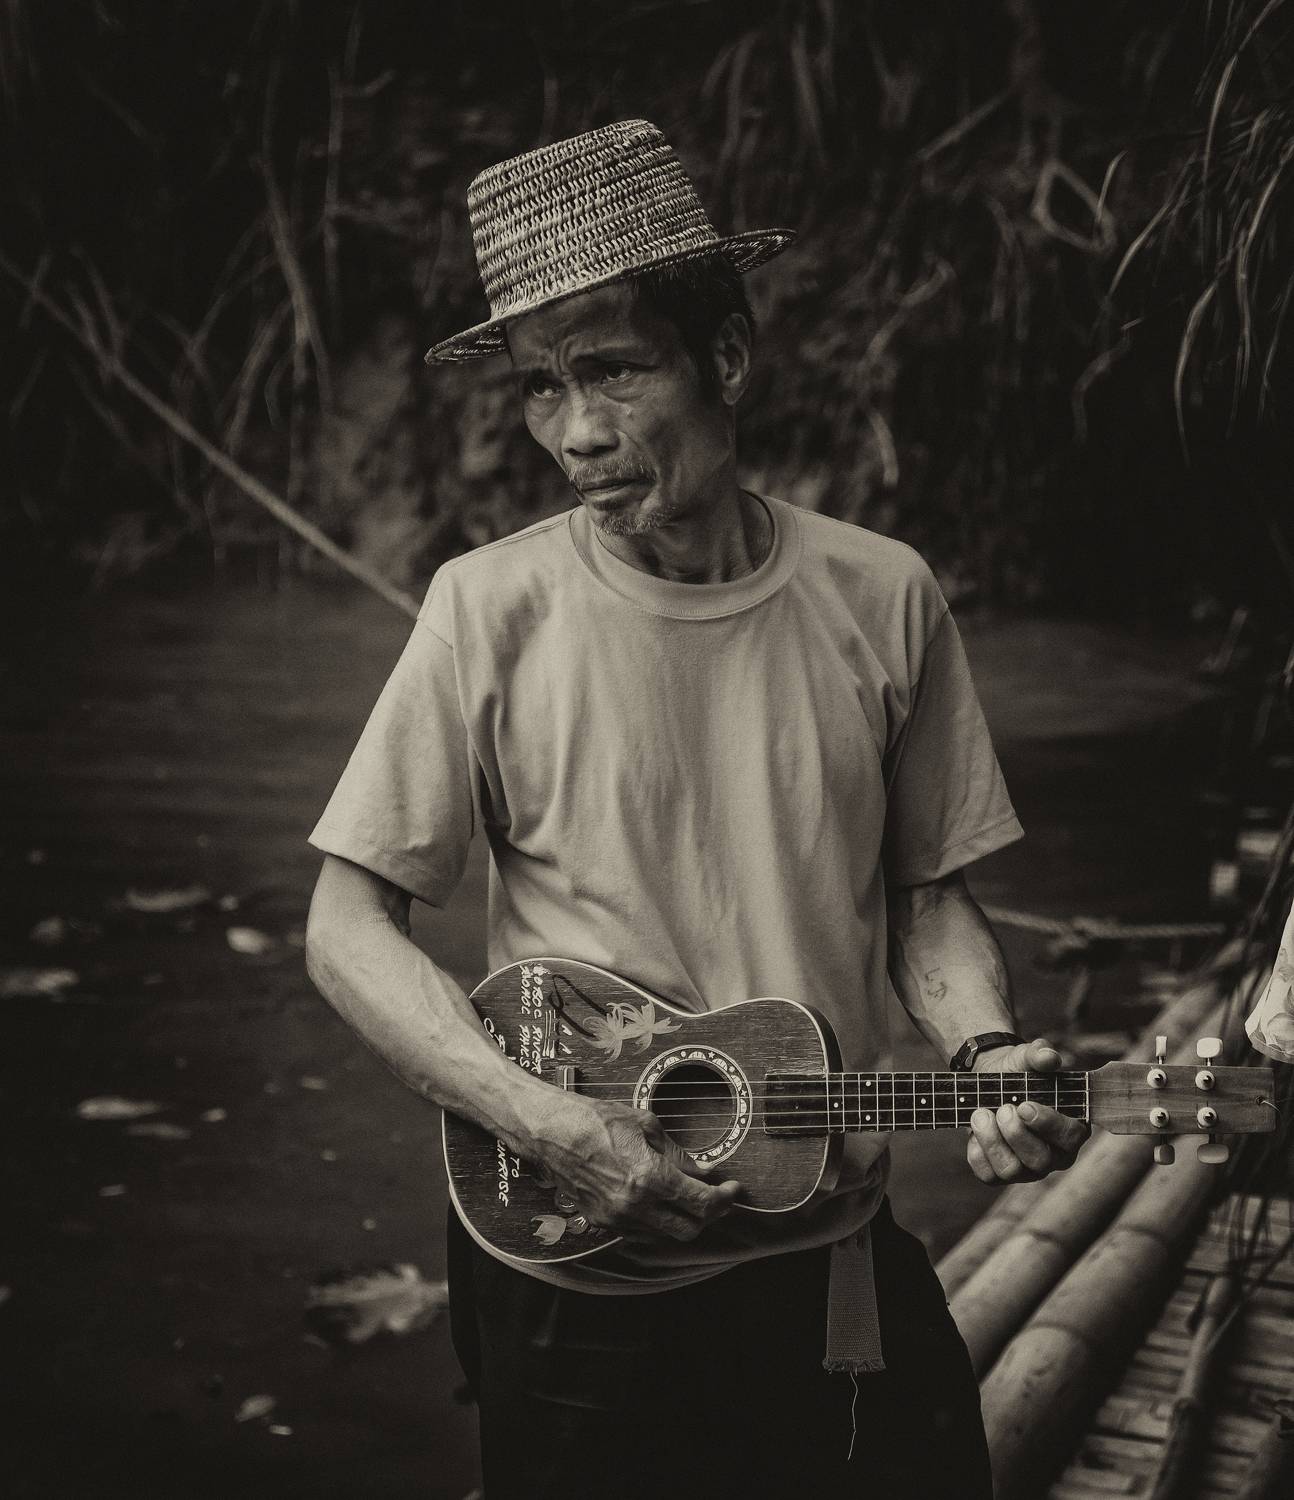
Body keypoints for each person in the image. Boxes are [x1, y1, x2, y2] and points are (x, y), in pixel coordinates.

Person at [305, 119, 1089, 1500]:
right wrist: (545, 1123)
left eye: (611, 368)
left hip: (829, 1254)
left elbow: (927, 897)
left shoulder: (883, 595)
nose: (575, 432)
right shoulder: (486, 610)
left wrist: (984, 1053)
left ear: (724, 355)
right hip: (575, 1279)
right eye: (540, 386)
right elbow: (344, 926)